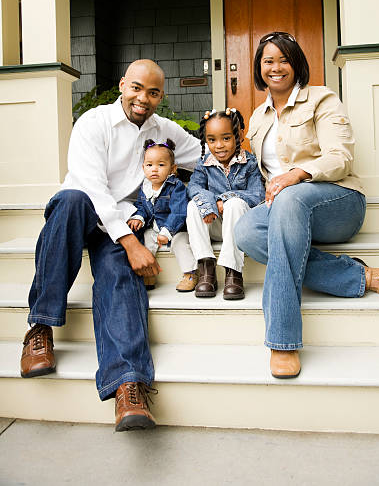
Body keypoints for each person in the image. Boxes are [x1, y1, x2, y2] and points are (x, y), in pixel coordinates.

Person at [20, 60, 201, 431]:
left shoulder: (163, 130)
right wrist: (132, 243)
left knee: (120, 275)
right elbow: (93, 189)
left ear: (160, 96)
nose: (143, 98)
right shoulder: (94, 122)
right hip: (83, 211)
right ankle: (40, 328)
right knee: (70, 201)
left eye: (152, 92)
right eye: (136, 88)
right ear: (122, 85)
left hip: (122, 221)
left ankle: (127, 386)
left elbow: (204, 155)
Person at [234, 32, 379, 379]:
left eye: (284, 59)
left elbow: (340, 157)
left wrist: (296, 175)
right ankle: (359, 276)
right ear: (258, 67)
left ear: (296, 63)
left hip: (338, 202)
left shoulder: (321, 99)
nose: (276, 67)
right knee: (246, 230)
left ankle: (282, 340)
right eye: (268, 60)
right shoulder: (259, 117)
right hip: (285, 210)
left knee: (291, 198)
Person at [187, 108, 265, 300]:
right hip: (213, 223)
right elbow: (194, 188)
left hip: (239, 226)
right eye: (212, 140)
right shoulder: (204, 163)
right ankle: (206, 268)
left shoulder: (250, 163)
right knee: (193, 205)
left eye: (226, 138)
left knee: (235, 204)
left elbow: (257, 195)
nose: (219, 146)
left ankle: (233, 271)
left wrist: (227, 198)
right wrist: (212, 203)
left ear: (237, 136)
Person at [128, 138, 198, 292]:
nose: (154, 169)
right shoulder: (145, 187)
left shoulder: (175, 186)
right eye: (149, 165)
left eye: (161, 165)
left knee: (180, 244)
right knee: (145, 239)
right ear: (143, 167)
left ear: (172, 169)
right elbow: (141, 206)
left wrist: (167, 231)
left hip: (177, 229)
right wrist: (138, 217)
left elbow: (179, 212)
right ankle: (149, 272)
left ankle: (190, 274)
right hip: (155, 229)